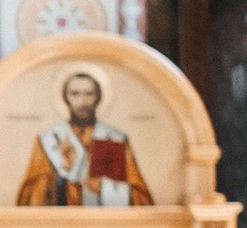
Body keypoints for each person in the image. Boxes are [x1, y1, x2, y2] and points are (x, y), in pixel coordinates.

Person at [18, 68, 153, 210]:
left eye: (89, 94)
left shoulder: (115, 139)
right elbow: (29, 197)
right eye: (75, 94)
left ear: (98, 97)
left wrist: (104, 187)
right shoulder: (49, 140)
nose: (82, 101)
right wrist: (62, 174)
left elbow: (141, 198)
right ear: (65, 97)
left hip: (105, 224)